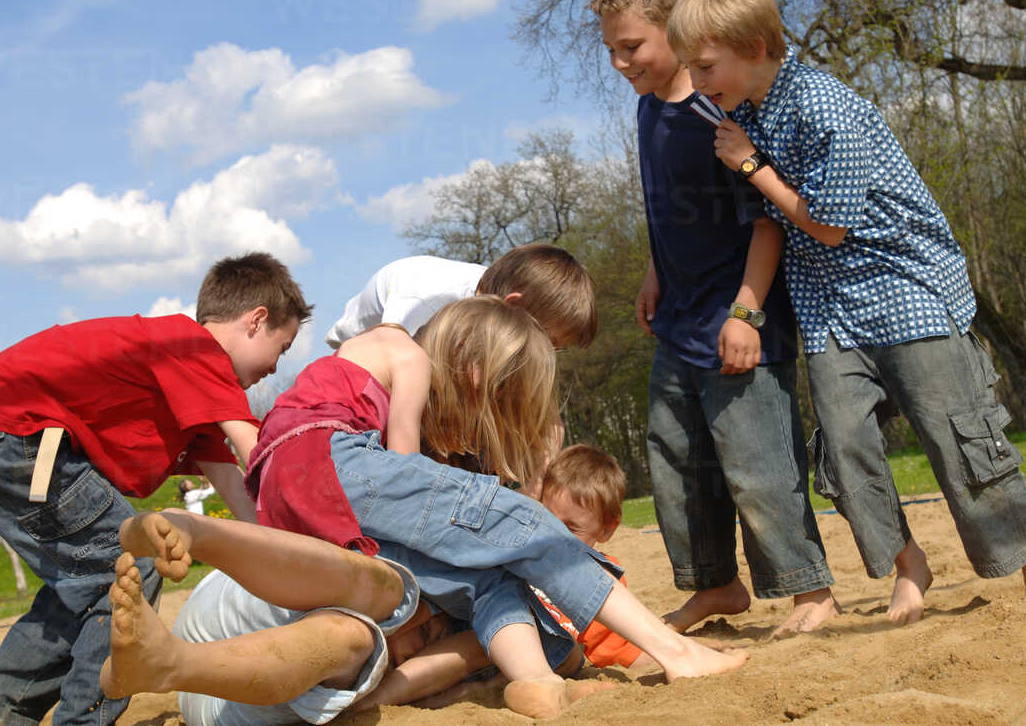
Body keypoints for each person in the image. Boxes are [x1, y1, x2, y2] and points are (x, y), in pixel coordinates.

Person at [664, 0, 1026, 624]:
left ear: (756, 48)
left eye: (705, 65)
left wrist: (749, 164)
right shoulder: (750, 113)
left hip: (905, 286)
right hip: (830, 306)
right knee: (844, 446)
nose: (699, 80)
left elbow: (828, 223)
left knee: (957, 432)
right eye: (690, 65)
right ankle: (909, 566)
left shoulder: (824, 104)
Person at [249, 296, 747, 718]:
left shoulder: (372, 371)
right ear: (470, 358)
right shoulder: (406, 351)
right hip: (327, 455)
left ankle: (533, 679)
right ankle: (674, 650)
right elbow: (402, 462)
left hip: (298, 499)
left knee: (485, 581)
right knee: (519, 522)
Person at [0, 252, 311, 726]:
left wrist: (284, 554)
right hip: (13, 436)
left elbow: (241, 493)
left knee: (86, 577)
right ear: (256, 321)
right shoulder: (193, 348)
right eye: (283, 346)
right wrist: (309, 525)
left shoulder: (190, 393)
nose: (277, 367)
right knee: (133, 559)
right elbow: (258, 455)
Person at [590, 0, 839, 636]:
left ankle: (808, 590)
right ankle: (716, 585)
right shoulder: (647, 111)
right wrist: (653, 270)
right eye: (610, 50)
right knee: (676, 460)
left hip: (737, 321)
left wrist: (746, 314)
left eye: (632, 47)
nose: (620, 62)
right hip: (677, 320)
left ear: (677, 31)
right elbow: (666, 207)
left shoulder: (718, 115)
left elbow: (766, 222)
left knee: (757, 465)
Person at [99, 509, 424, 726]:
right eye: (430, 636)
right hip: (238, 603)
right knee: (390, 593)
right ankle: (193, 530)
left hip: (227, 688)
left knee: (358, 636)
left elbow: (458, 660)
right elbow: (458, 655)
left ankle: (167, 661)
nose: (412, 656)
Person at [323, 243, 599, 351]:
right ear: (512, 305)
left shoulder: (492, 300)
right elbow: (391, 364)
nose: (548, 354)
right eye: (549, 342)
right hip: (362, 344)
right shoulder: (429, 299)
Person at [533, 444, 656, 670]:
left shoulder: (600, 579)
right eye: (547, 518)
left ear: (606, 529)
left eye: (571, 528)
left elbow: (618, 653)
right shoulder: (522, 555)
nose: (554, 535)